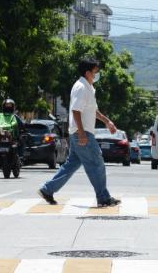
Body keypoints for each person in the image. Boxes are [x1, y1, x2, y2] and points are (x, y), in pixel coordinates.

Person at [38, 58, 121, 208]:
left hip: (79, 132)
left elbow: (91, 110)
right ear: (88, 72)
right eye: (95, 71)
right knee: (97, 163)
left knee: (71, 165)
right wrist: (82, 133)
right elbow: (76, 110)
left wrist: (107, 121)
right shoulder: (81, 87)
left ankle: (47, 189)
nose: (97, 74)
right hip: (81, 133)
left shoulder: (88, 87)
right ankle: (103, 197)